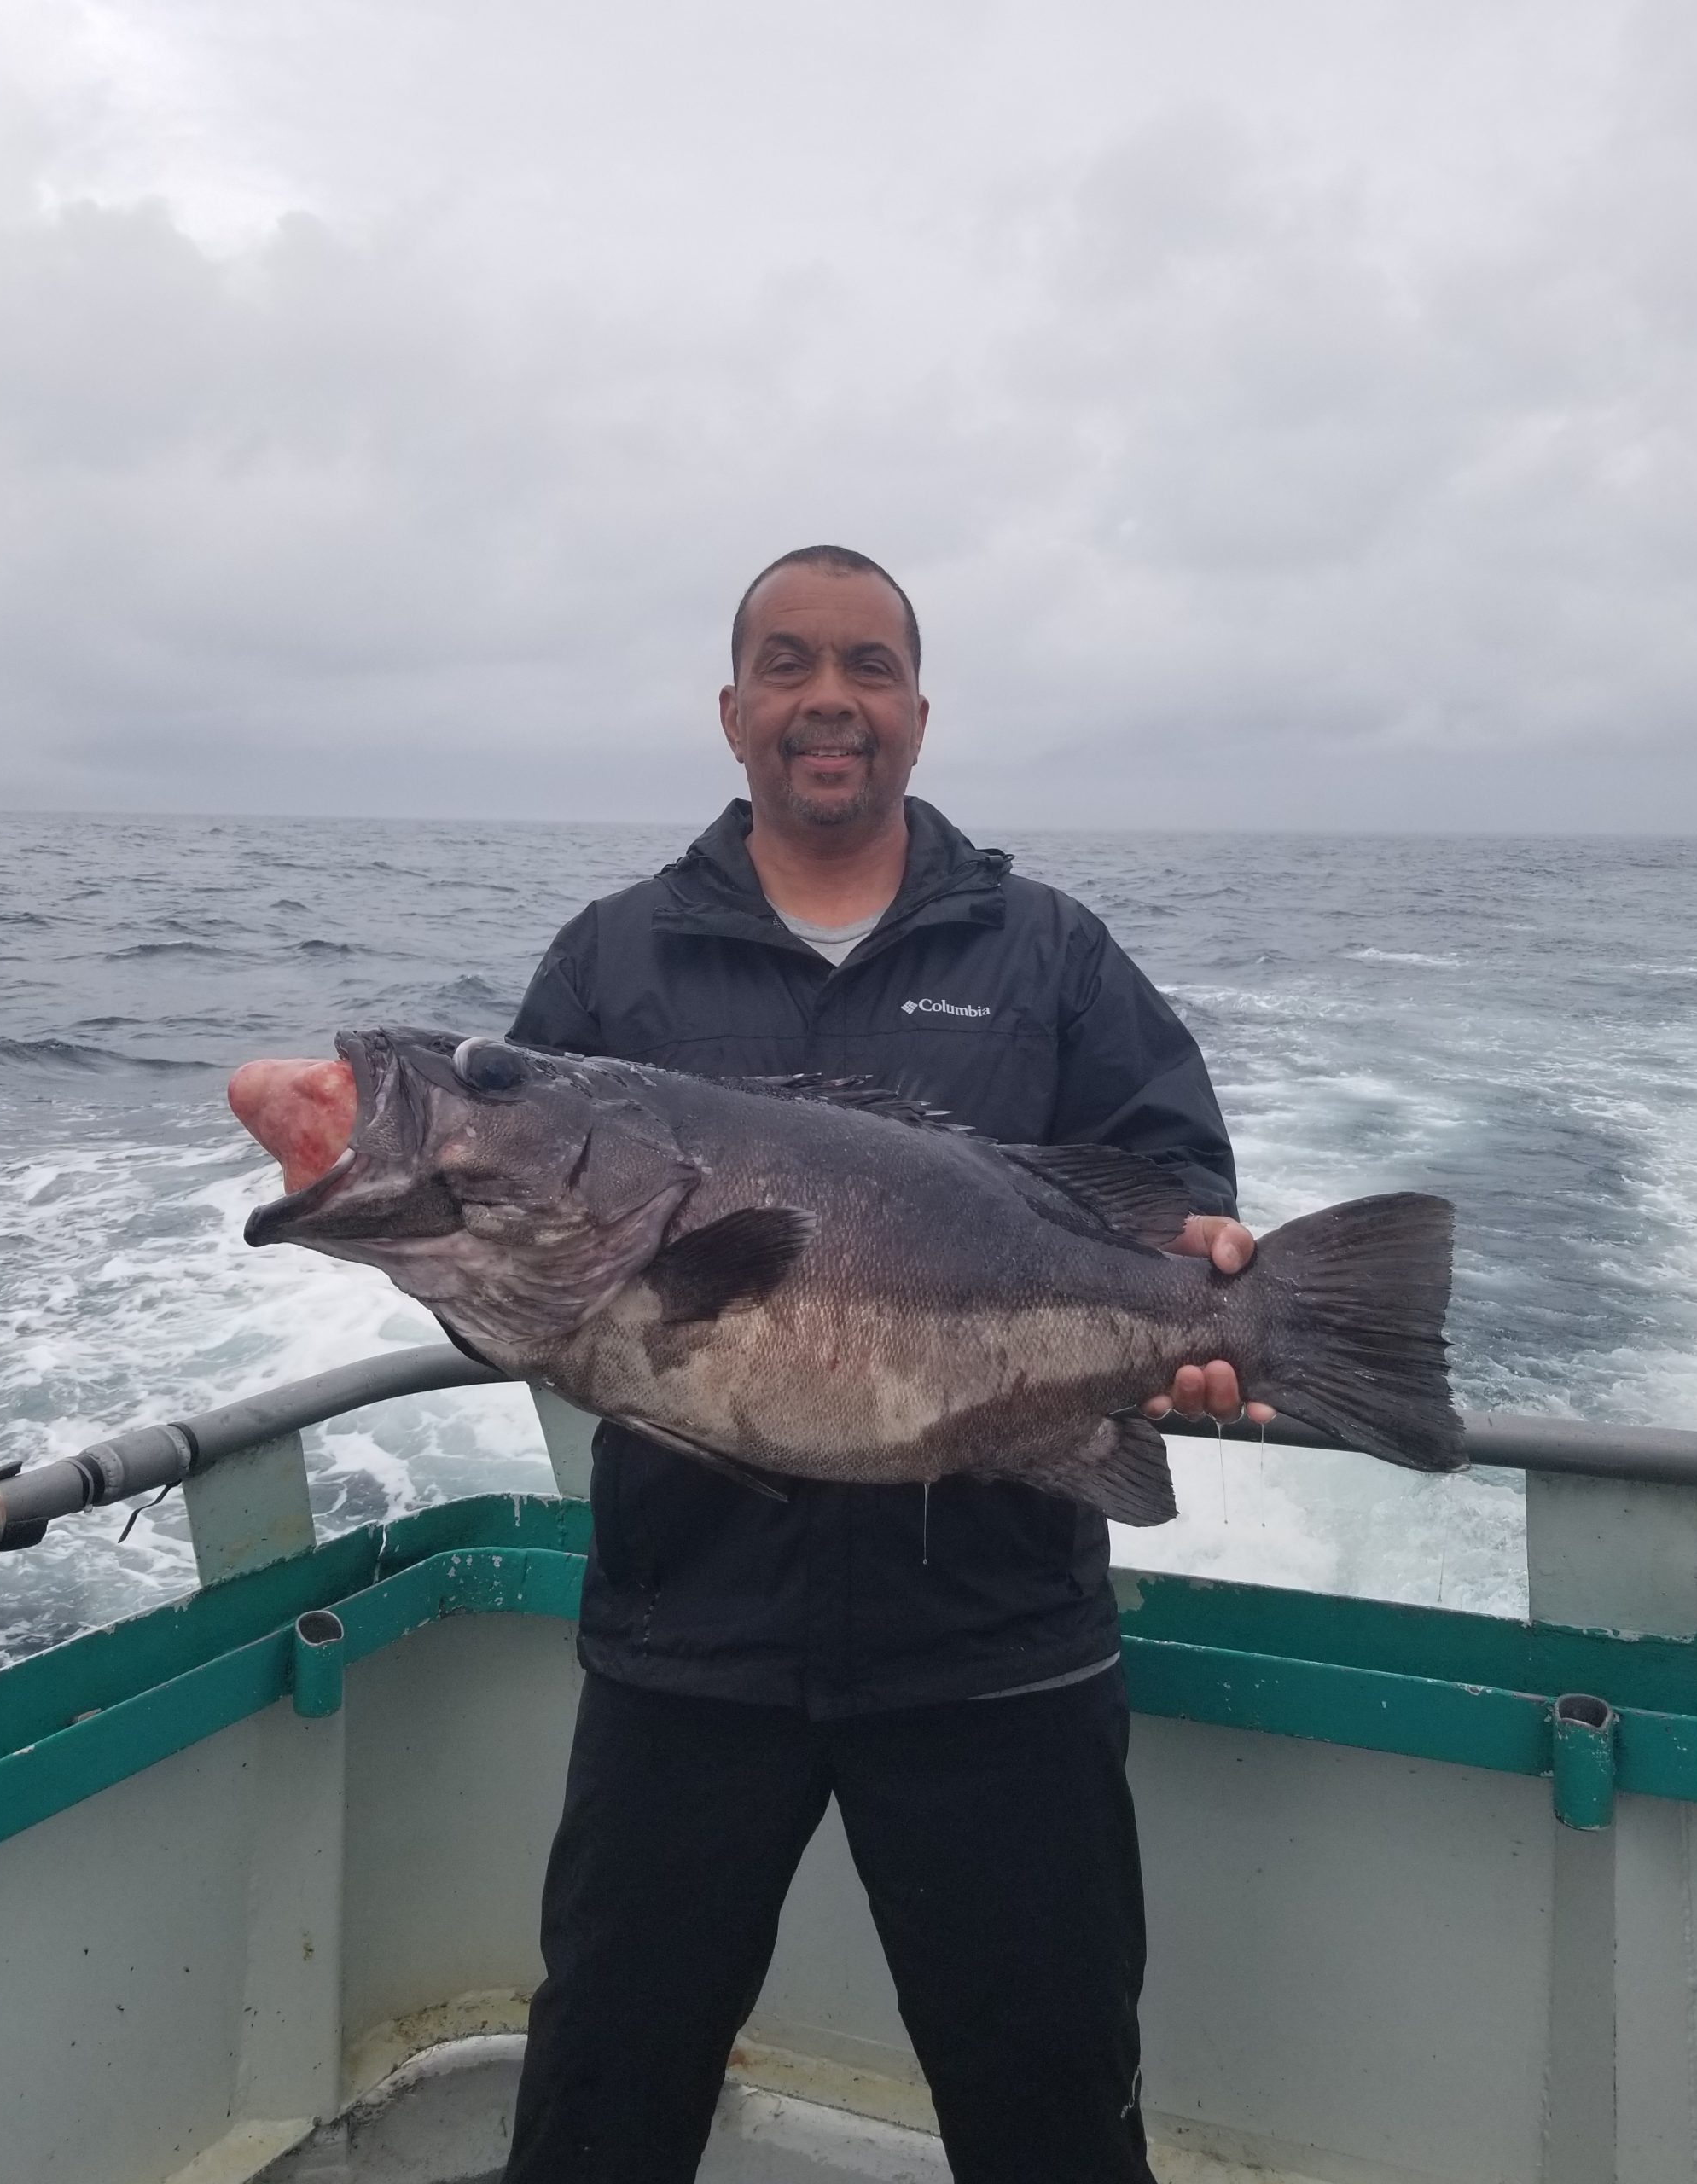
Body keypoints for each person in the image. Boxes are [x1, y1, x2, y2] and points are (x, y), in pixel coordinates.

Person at [501, 546, 1267, 2184]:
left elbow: (1169, 1182)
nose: (827, 699)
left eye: (868, 665)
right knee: (603, 2089)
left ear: (919, 710)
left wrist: (1203, 1285)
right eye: (786, 665)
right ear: (730, 712)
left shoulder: (1049, 953)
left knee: (1053, 2099)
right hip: (685, 1643)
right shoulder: (608, 966)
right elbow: (514, 1246)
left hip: (996, 1643)